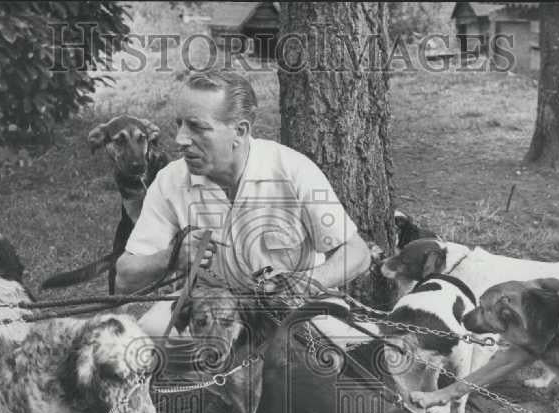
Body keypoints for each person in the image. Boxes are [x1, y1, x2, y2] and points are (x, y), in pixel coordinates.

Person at [114, 69, 372, 337]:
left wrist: (305, 283)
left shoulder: (292, 170)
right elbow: (125, 277)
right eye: (179, 124)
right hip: (208, 308)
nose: (180, 139)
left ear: (240, 131)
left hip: (291, 305)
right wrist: (171, 258)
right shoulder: (170, 181)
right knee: (151, 333)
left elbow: (357, 253)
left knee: (335, 339)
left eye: (197, 127)